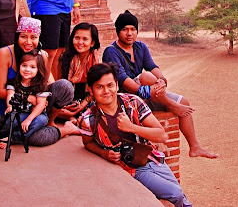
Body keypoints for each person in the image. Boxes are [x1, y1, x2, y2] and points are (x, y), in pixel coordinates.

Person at [102, 11, 217, 159]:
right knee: (146, 76)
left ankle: (194, 147)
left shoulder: (140, 47)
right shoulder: (111, 52)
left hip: (146, 93)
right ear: (118, 31)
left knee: (183, 102)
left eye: (133, 29)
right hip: (126, 98)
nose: (129, 33)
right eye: (125, 29)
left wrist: (161, 80)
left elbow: (152, 65)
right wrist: (148, 89)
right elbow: (123, 80)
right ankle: (170, 105)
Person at [77, 63, 192, 207]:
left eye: (110, 85)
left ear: (117, 85)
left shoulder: (132, 102)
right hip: (131, 168)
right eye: (100, 87)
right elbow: (87, 143)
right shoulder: (88, 119)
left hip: (152, 159)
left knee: (182, 199)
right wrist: (104, 154)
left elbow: (162, 136)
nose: (106, 91)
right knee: (175, 194)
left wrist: (131, 127)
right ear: (91, 90)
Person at [0, 17, 79, 146]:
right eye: (23, 36)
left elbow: (46, 85)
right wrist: (27, 98)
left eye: (33, 37)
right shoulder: (6, 53)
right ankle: (63, 130)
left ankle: (49, 123)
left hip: (34, 111)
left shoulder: (41, 55)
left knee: (65, 86)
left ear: (38, 38)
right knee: (36, 138)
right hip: (10, 114)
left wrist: (42, 102)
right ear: (17, 36)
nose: (28, 42)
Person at [4, 51, 50, 141]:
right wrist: (10, 107)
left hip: (35, 114)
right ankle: (1, 133)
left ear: (38, 69)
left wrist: (29, 119)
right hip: (19, 112)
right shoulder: (13, 82)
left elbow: (41, 104)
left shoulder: (41, 85)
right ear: (19, 66)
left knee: (42, 120)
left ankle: (13, 138)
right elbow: (10, 95)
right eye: (24, 65)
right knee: (9, 120)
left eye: (32, 67)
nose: (27, 69)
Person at [58, 23, 100, 121]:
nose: (80, 42)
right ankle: (73, 119)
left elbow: (94, 92)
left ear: (92, 42)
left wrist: (79, 108)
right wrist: (68, 107)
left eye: (85, 39)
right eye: (77, 38)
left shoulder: (95, 61)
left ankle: (74, 118)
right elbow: (59, 85)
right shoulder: (64, 58)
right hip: (67, 101)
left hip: (87, 101)